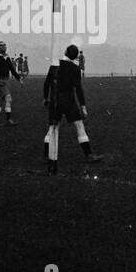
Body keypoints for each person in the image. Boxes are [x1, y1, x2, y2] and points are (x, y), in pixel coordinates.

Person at [43, 44, 102, 174]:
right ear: (75, 56)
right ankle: (89, 154)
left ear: (65, 52)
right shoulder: (75, 69)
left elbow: (46, 83)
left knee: (53, 127)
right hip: (69, 100)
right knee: (79, 126)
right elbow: (78, 89)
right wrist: (83, 107)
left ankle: (46, 154)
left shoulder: (54, 65)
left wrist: (45, 98)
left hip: (56, 100)